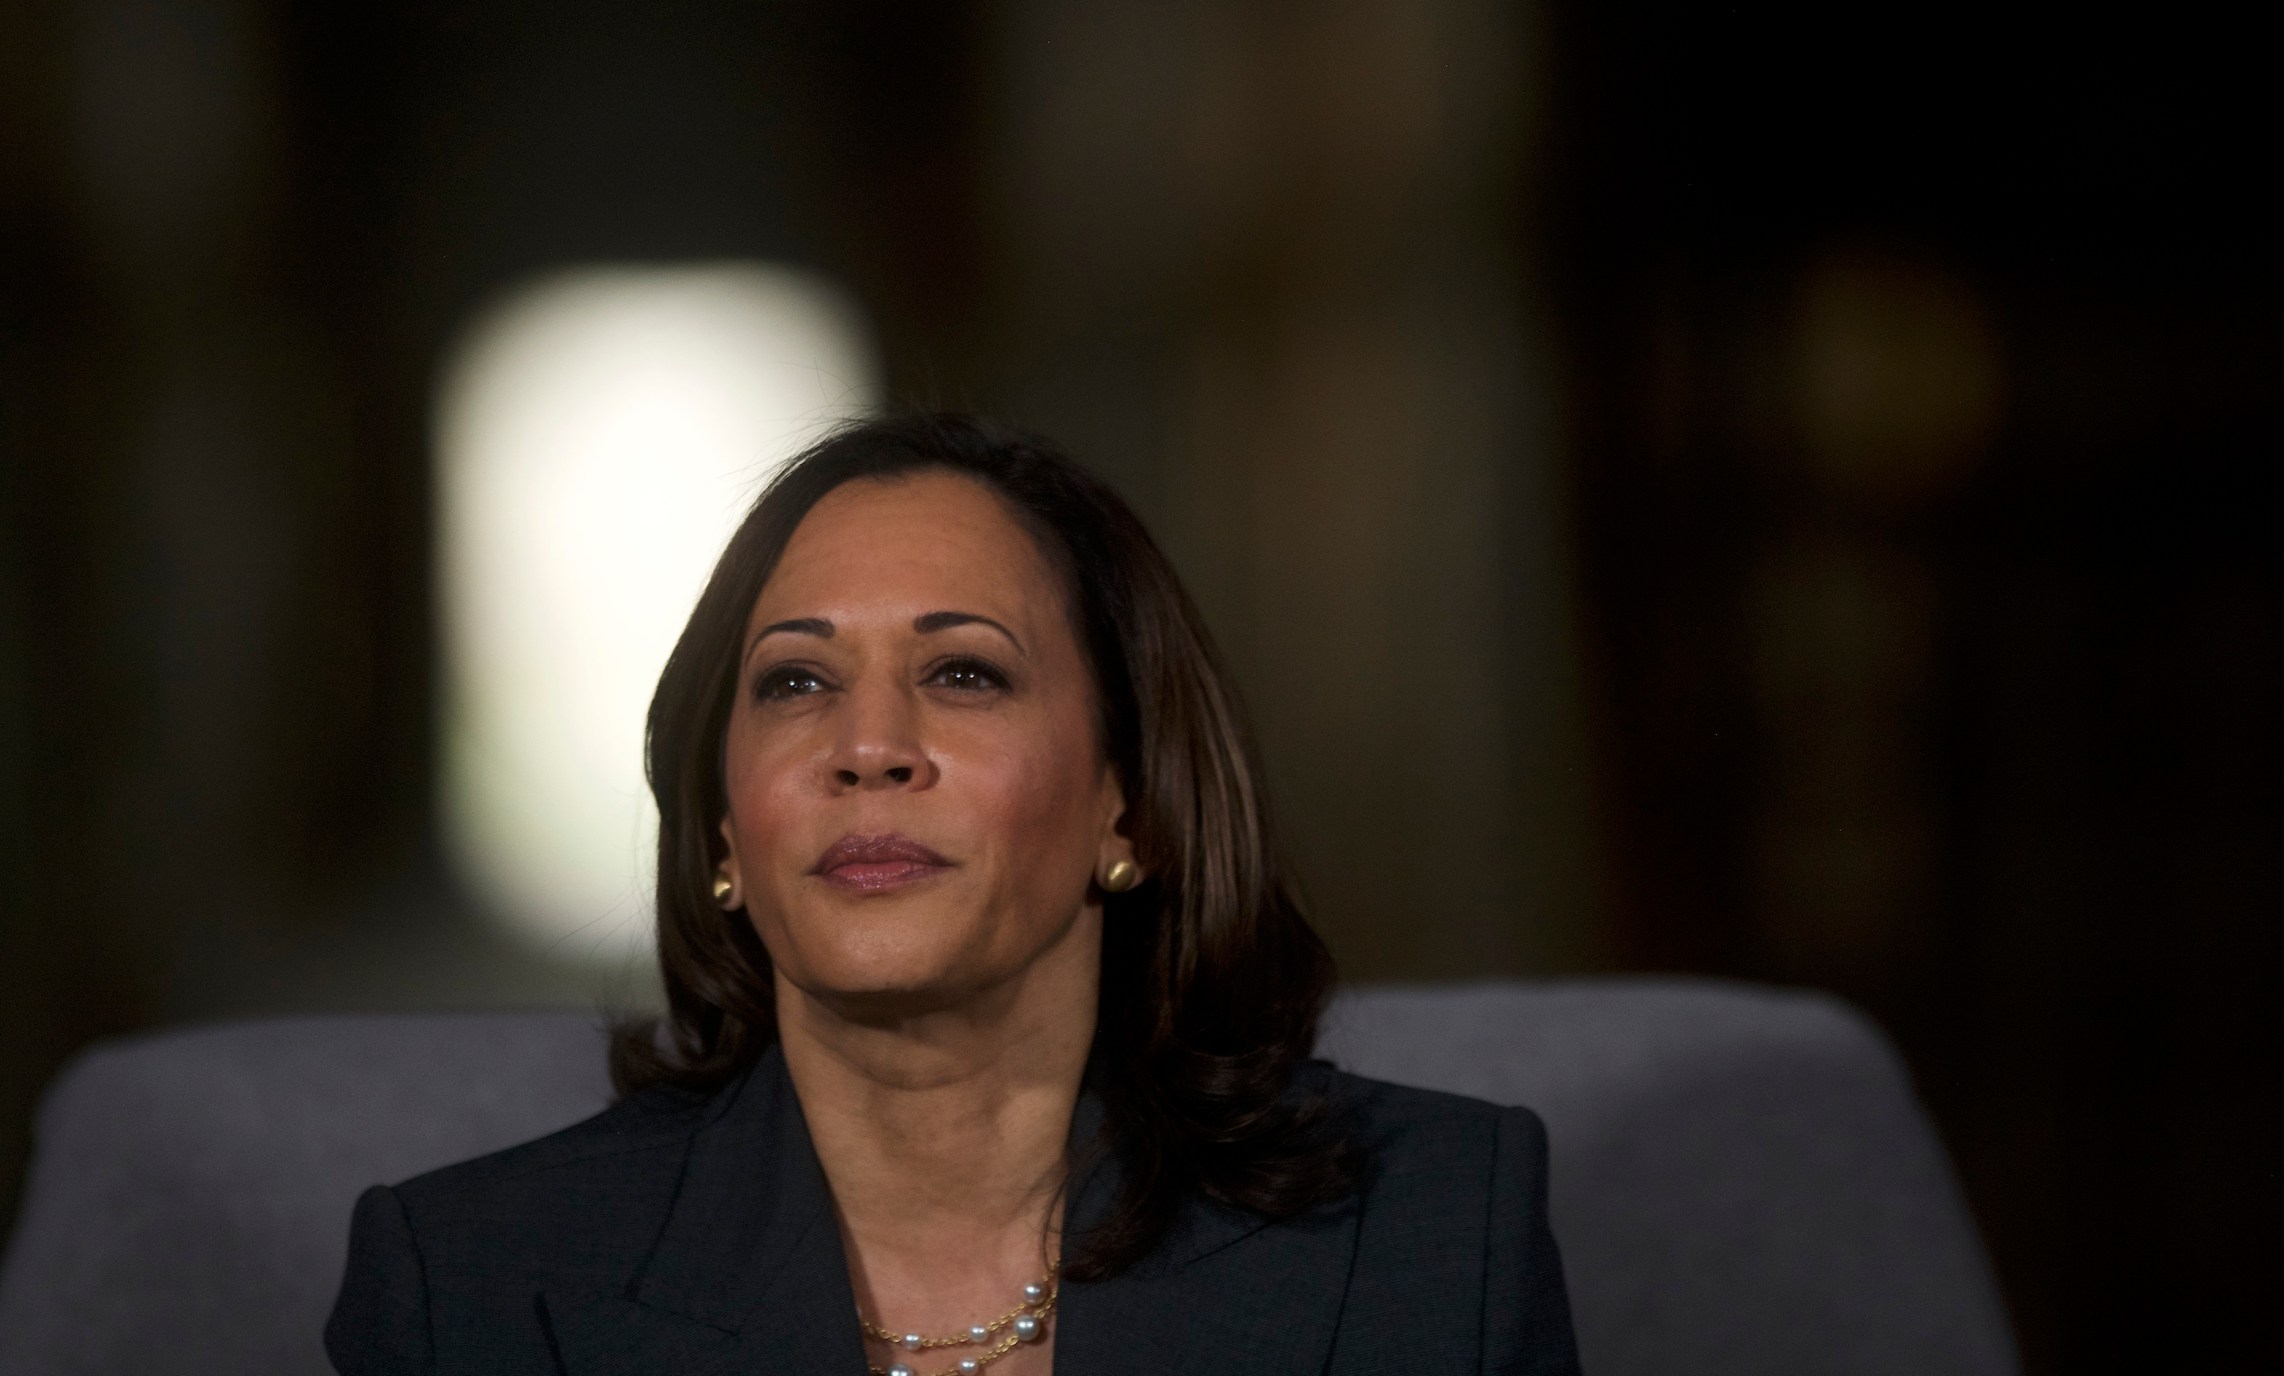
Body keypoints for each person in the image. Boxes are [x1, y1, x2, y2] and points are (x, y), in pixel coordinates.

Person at [324, 411, 1580, 1376]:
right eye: (797, 684)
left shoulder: (1436, 1228)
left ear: (1127, 802)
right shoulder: (467, 1287)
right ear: (723, 830)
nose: (869, 746)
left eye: (965, 674)